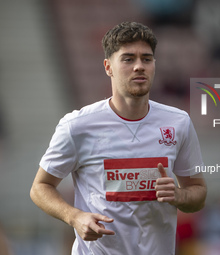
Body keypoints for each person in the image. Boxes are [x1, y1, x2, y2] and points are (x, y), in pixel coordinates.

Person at [30, 21, 207, 255]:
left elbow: (198, 192)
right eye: (128, 59)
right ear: (108, 67)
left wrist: (179, 195)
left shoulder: (178, 122)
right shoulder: (77, 126)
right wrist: (75, 217)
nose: (139, 67)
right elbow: (40, 187)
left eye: (146, 59)